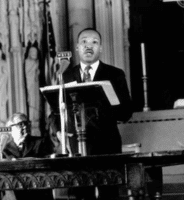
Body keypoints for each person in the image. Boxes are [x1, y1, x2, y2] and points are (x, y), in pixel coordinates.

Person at [50, 28, 133, 199]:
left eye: (94, 42)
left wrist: (104, 99)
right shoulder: (65, 76)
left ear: (101, 48)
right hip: (77, 148)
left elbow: (126, 112)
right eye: (84, 42)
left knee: (109, 194)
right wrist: (59, 131)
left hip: (107, 145)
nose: (89, 46)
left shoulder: (115, 74)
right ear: (77, 47)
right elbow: (56, 112)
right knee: (81, 194)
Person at [0, 112, 54, 200]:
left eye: (26, 123)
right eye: (20, 124)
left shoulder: (40, 142)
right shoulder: (5, 149)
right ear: (10, 129)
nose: (25, 126)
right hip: (13, 193)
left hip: (37, 192)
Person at [25, 46, 41, 136]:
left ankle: (36, 121)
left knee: (37, 102)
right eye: (33, 52)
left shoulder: (36, 62)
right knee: (32, 101)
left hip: (36, 85)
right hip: (30, 86)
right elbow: (28, 74)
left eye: (36, 53)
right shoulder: (28, 62)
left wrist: (37, 71)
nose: (35, 54)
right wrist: (35, 66)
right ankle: (32, 121)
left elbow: (37, 75)